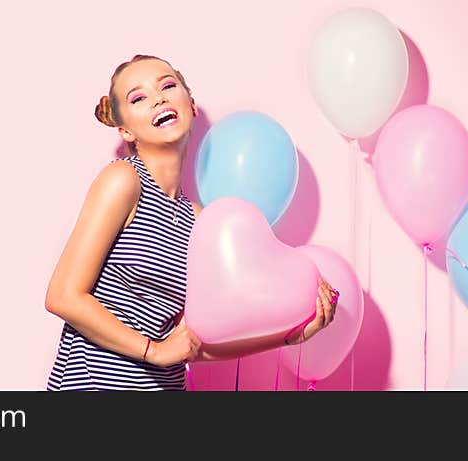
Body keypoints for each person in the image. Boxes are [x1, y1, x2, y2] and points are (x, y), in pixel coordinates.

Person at [44, 55, 339, 391]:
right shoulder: (123, 180)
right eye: (138, 98)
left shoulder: (198, 220)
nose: (159, 98)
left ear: (192, 104)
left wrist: (290, 337)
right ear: (125, 129)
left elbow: (192, 343)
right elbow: (64, 296)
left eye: (168, 85)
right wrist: (152, 351)